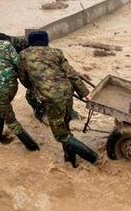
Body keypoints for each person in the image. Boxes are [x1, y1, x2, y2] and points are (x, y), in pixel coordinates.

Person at [18, 31, 99, 167]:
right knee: (65, 128)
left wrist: (35, 85)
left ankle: (94, 158)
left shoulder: (23, 55)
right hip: (67, 93)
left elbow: (23, 79)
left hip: (51, 98)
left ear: (30, 42)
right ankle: (70, 161)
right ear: (46, 41)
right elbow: (71, 74)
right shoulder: (56, 52)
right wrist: (84, 93)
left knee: (61, 135)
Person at [0, 26, 39, 151]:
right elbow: (18, 63)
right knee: (1, 110)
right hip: (12, 86)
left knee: (10, 121)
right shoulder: (6, 44)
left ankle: (32, 147)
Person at [0, 33, 45, 121]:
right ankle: (42, 110)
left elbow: (40, 51)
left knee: (32, 94)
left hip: (37, 64)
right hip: (26, 66)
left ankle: (42, 112)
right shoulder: (2, 49)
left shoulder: (22, 42)